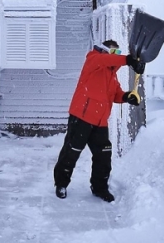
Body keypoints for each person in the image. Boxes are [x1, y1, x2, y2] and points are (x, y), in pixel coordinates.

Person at [53, 39, 144, 202]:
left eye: (118, 52)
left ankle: (99, 188)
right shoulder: (93, 60)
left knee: (103, 155)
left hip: (100, 122)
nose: (115, 55)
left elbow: (116, 94)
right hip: (81, 117)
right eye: (113, 52)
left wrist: (127, 97)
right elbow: (104, 60)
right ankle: (61, 184)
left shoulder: (112, 76)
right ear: (103, 50)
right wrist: (127, 60)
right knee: (71, 152)